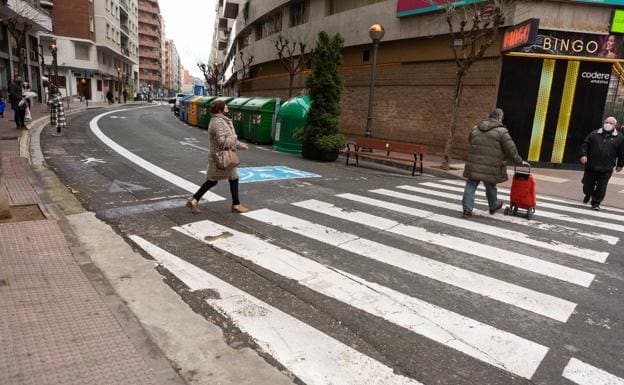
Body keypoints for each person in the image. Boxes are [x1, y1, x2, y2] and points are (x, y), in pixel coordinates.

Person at [187, 100, 249, 214]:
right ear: (220, 110)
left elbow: (228, 139)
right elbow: (223, 142)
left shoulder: (222, 120)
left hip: (224, 156)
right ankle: (194, 200)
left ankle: (236, 204)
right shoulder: (218, 122)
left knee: (233, 178)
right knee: (212, 181)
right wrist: (235, 137)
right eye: (225, 106)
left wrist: (240, 145)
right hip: (220, 157)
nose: (227, 108)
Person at [462, 108, 525, 218]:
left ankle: (467, 209)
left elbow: (471, 141)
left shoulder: (476, 128)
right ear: (499, 118)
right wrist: (519, 162)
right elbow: (511, 149)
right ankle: (493, 205)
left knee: (471, 185)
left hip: (474, 163)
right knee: (490, 184)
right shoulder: (502, 132)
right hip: (491, 165)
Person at [580, 116, 624, 210]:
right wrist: (583, 155)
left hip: (607, 167)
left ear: (615, 125)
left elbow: (621, 152)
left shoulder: (619, 137)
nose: (608, 124)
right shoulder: (594, 134)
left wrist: (620, 164)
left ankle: (596, 203)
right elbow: (585, 145)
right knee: (587, 185)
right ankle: (588, 193)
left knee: (602, 186)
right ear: (603, 123)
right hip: (591, 165)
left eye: (611, 123)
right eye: (606, 122)